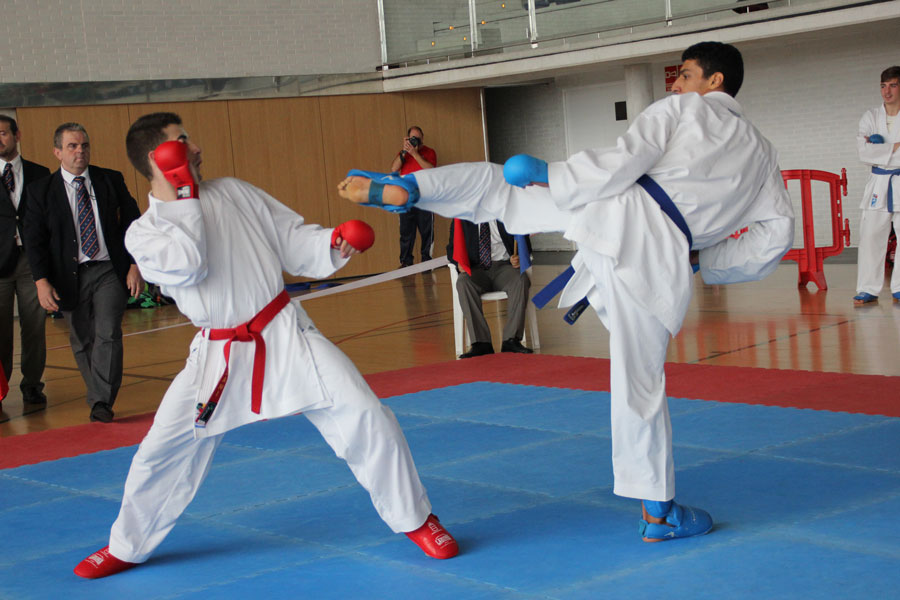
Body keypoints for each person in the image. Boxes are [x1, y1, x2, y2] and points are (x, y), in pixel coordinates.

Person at [339, 41, 794, 542]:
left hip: (612, 210)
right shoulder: (764, 155)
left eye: (685, 75)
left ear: (715, 82)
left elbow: (628, 156)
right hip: (664, 254)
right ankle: (659, 514)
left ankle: (415, 189)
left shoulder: (683, 109)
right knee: (640, 385)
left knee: (500, 190)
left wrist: (554, 176)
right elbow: (775, 236)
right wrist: (706, 261)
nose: (676, 84)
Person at [72, 112, 458, 580]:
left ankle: (416, 519)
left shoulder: (234, 191)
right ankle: (127, 546)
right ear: (160, 158)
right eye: (183, 142)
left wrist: (333, 244)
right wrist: (184, 196)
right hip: (217, 355)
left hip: (285, 332)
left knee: (366, 414)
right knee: (162, 451)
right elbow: (189, 265)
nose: (195, 148)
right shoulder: (144, 233)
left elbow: (291, 239)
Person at [23, 123, 143, 423]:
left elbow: (133, 222)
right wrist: (41, 281)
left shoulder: (109, 180)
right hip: (67, 275)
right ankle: (99, 395)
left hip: (108, 270)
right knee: (82, 340)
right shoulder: (41, 191)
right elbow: (34, 241)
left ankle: (101, 401)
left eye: (84, 145)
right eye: (73, 146)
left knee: (108, 332)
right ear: (57, 152)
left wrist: (134, 264)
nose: (80, 151)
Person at [0, 115, 50, 407]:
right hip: (0, 264)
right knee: (1, 330)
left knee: (34, 326)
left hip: (32, 261)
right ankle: (2, 387)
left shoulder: (39, 173)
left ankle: (32, 384)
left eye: (3, 133)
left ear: (17, 135)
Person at [448, 218, 533, 357]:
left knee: (521, 280)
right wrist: (458, 263)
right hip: (476, 269)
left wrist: (517, 258)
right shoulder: (463, 218)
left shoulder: (508, 215)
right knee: (463, 283)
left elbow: (525, 244)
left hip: (504, 266)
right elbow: (452, 248)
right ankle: (481, 343)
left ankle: (511, 340)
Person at [852, 66, 900, 305]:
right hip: (879, 182)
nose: (887, 91)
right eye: (883, 86)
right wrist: (894, 147)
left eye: (892, 85)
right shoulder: (870, 117)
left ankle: (899, 287)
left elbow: (872, 151)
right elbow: (863, 153)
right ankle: (868, 288)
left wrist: (880, 149)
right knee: (871, 236)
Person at [390, 126, 436, 268]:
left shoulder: (429, 152)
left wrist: (415, 154)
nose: (415, 140)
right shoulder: (404, 154)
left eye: (417, 137)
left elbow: (431, 169)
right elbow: (393, 168)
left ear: (422, 137)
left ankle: (427, 262)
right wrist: (405, 151)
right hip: (406, 199)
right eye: (412, 138)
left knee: (427, 231)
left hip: (425, 198)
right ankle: (405, 262)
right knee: (406, 232)